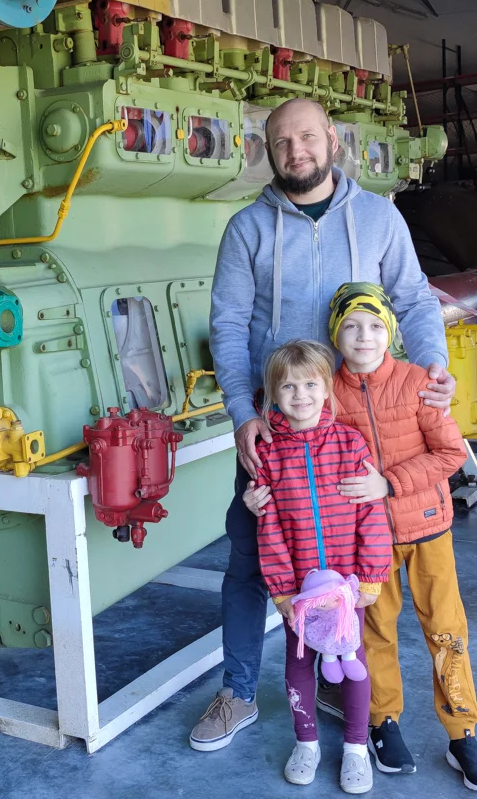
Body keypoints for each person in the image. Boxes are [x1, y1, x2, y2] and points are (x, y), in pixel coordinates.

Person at [193, 97, 456, 752]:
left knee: (349, 555)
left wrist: (430, 375)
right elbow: (227, 324)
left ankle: (341, 676)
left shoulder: (377, 217)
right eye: (281, 142)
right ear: (268, 150)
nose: (295, 151)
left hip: (355, 423)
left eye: (307, 137)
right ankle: (240, 692)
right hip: (273, 426)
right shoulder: (247, 229)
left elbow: (416, 300)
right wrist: (242, 413)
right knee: (253, 561)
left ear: (333, 141)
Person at [244, 283, 477, 792]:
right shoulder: (323, 388)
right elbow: (287, 424)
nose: (365, 337)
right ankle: (383, 726)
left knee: (446, 629)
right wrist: (262, 488)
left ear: (392, 331)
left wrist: (390, 483)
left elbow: (451, 455)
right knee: (373, 635)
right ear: (335, 334)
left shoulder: (417, 382)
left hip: (426, 525)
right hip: (360, 545)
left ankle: (462, 733)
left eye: (377, 325)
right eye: (352, 326)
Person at [252, 339, 390, 793]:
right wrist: (282, 591)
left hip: (348, 585)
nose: (300, 395)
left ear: (327, 389)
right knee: (298, 664)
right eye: (288, 387)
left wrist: (371, 577)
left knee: (354, 660)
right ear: (273, 394)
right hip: (300, 591)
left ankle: (355, 748)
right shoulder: (269, 455)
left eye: (310, 384)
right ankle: (306, 742)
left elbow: (371, 514)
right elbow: (269, 531)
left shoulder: (350, 443)